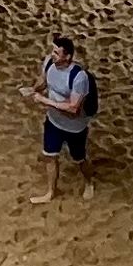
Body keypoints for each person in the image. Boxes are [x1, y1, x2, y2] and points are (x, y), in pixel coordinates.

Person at [36, 34, 98, 200]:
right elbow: (44, 81)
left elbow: (73, 108)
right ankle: (50, 192)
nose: (53, 54)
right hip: (53, 121)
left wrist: (45, 101)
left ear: (68, 56)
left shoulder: (79, 77)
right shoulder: (49, 62)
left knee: (79, 159)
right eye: (53, 51)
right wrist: (34, 90)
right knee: (49, 156)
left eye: (57, 53)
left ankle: (89, 182)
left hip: (74, 127)